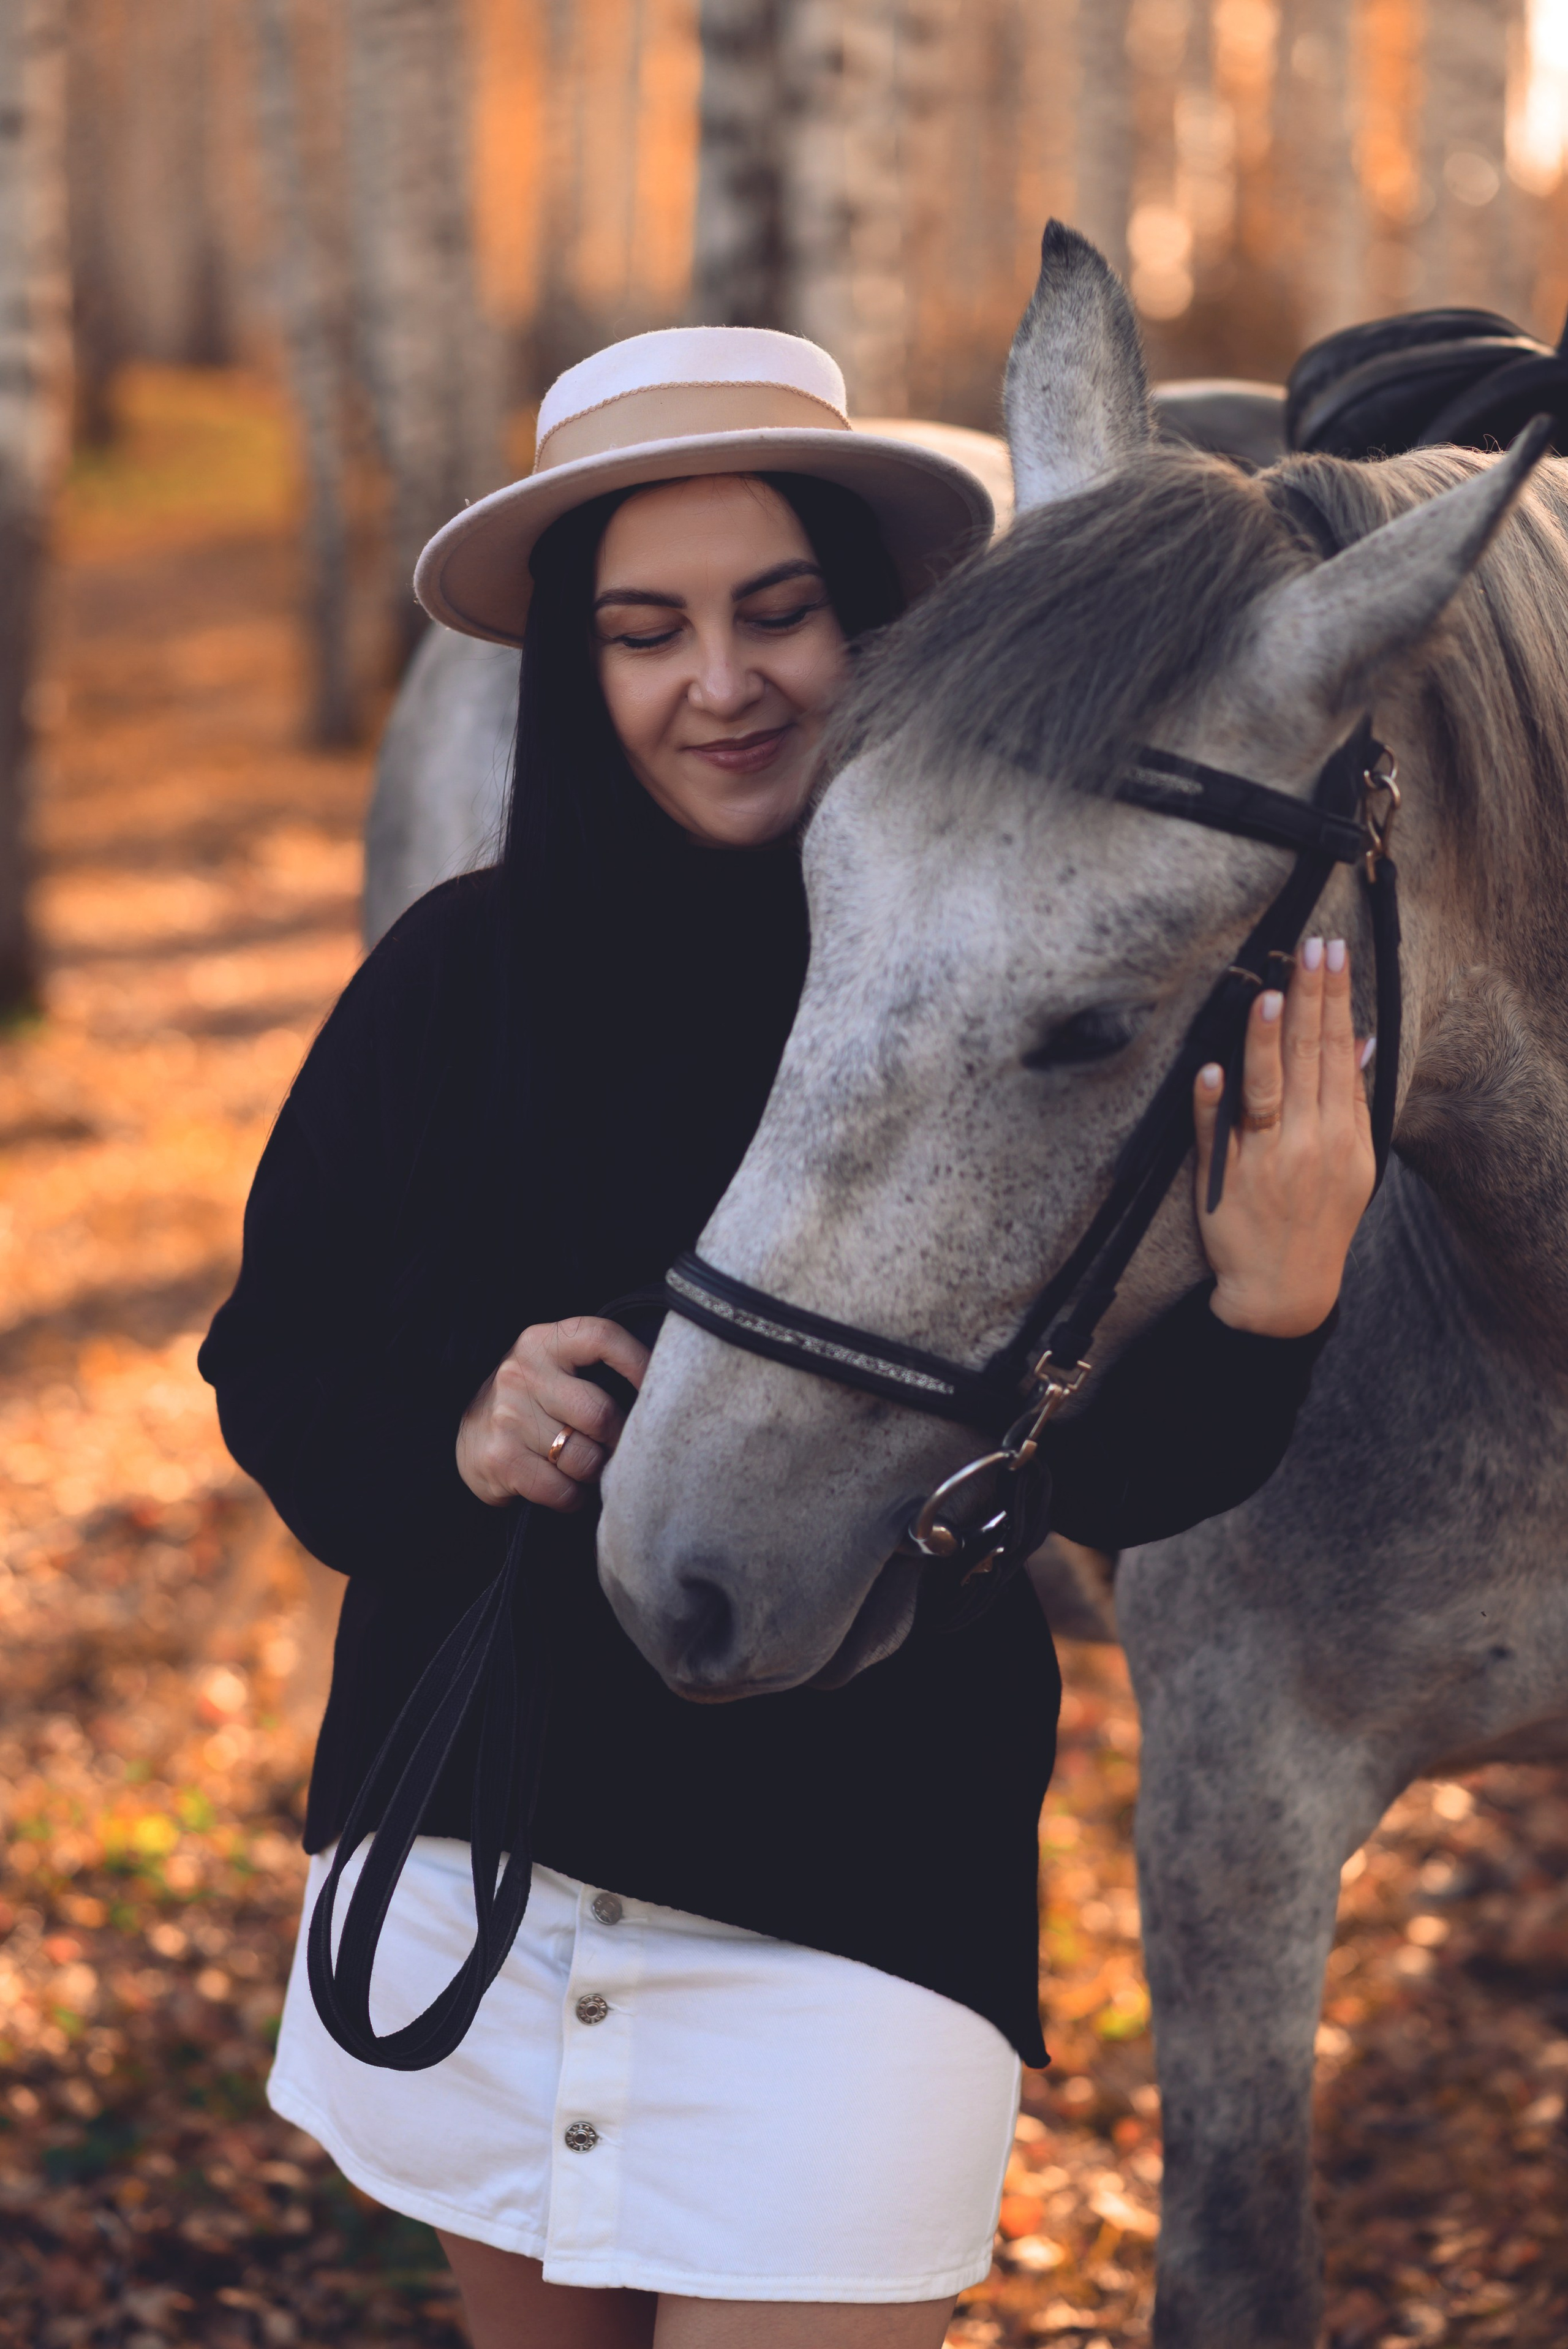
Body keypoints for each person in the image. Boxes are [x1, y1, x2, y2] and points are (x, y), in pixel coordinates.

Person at [199, 325, 1375, 2349]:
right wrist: (461, 1429)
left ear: (879, 626)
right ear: (581, 669)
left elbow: (1088, 1478)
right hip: (473, 1856)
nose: (717, 681)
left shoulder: (1004, 974)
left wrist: (1272, 1309)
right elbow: (277, 1361)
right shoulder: (455, 973)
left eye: (777, 612)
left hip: (853, 1908)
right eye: (647, 631)